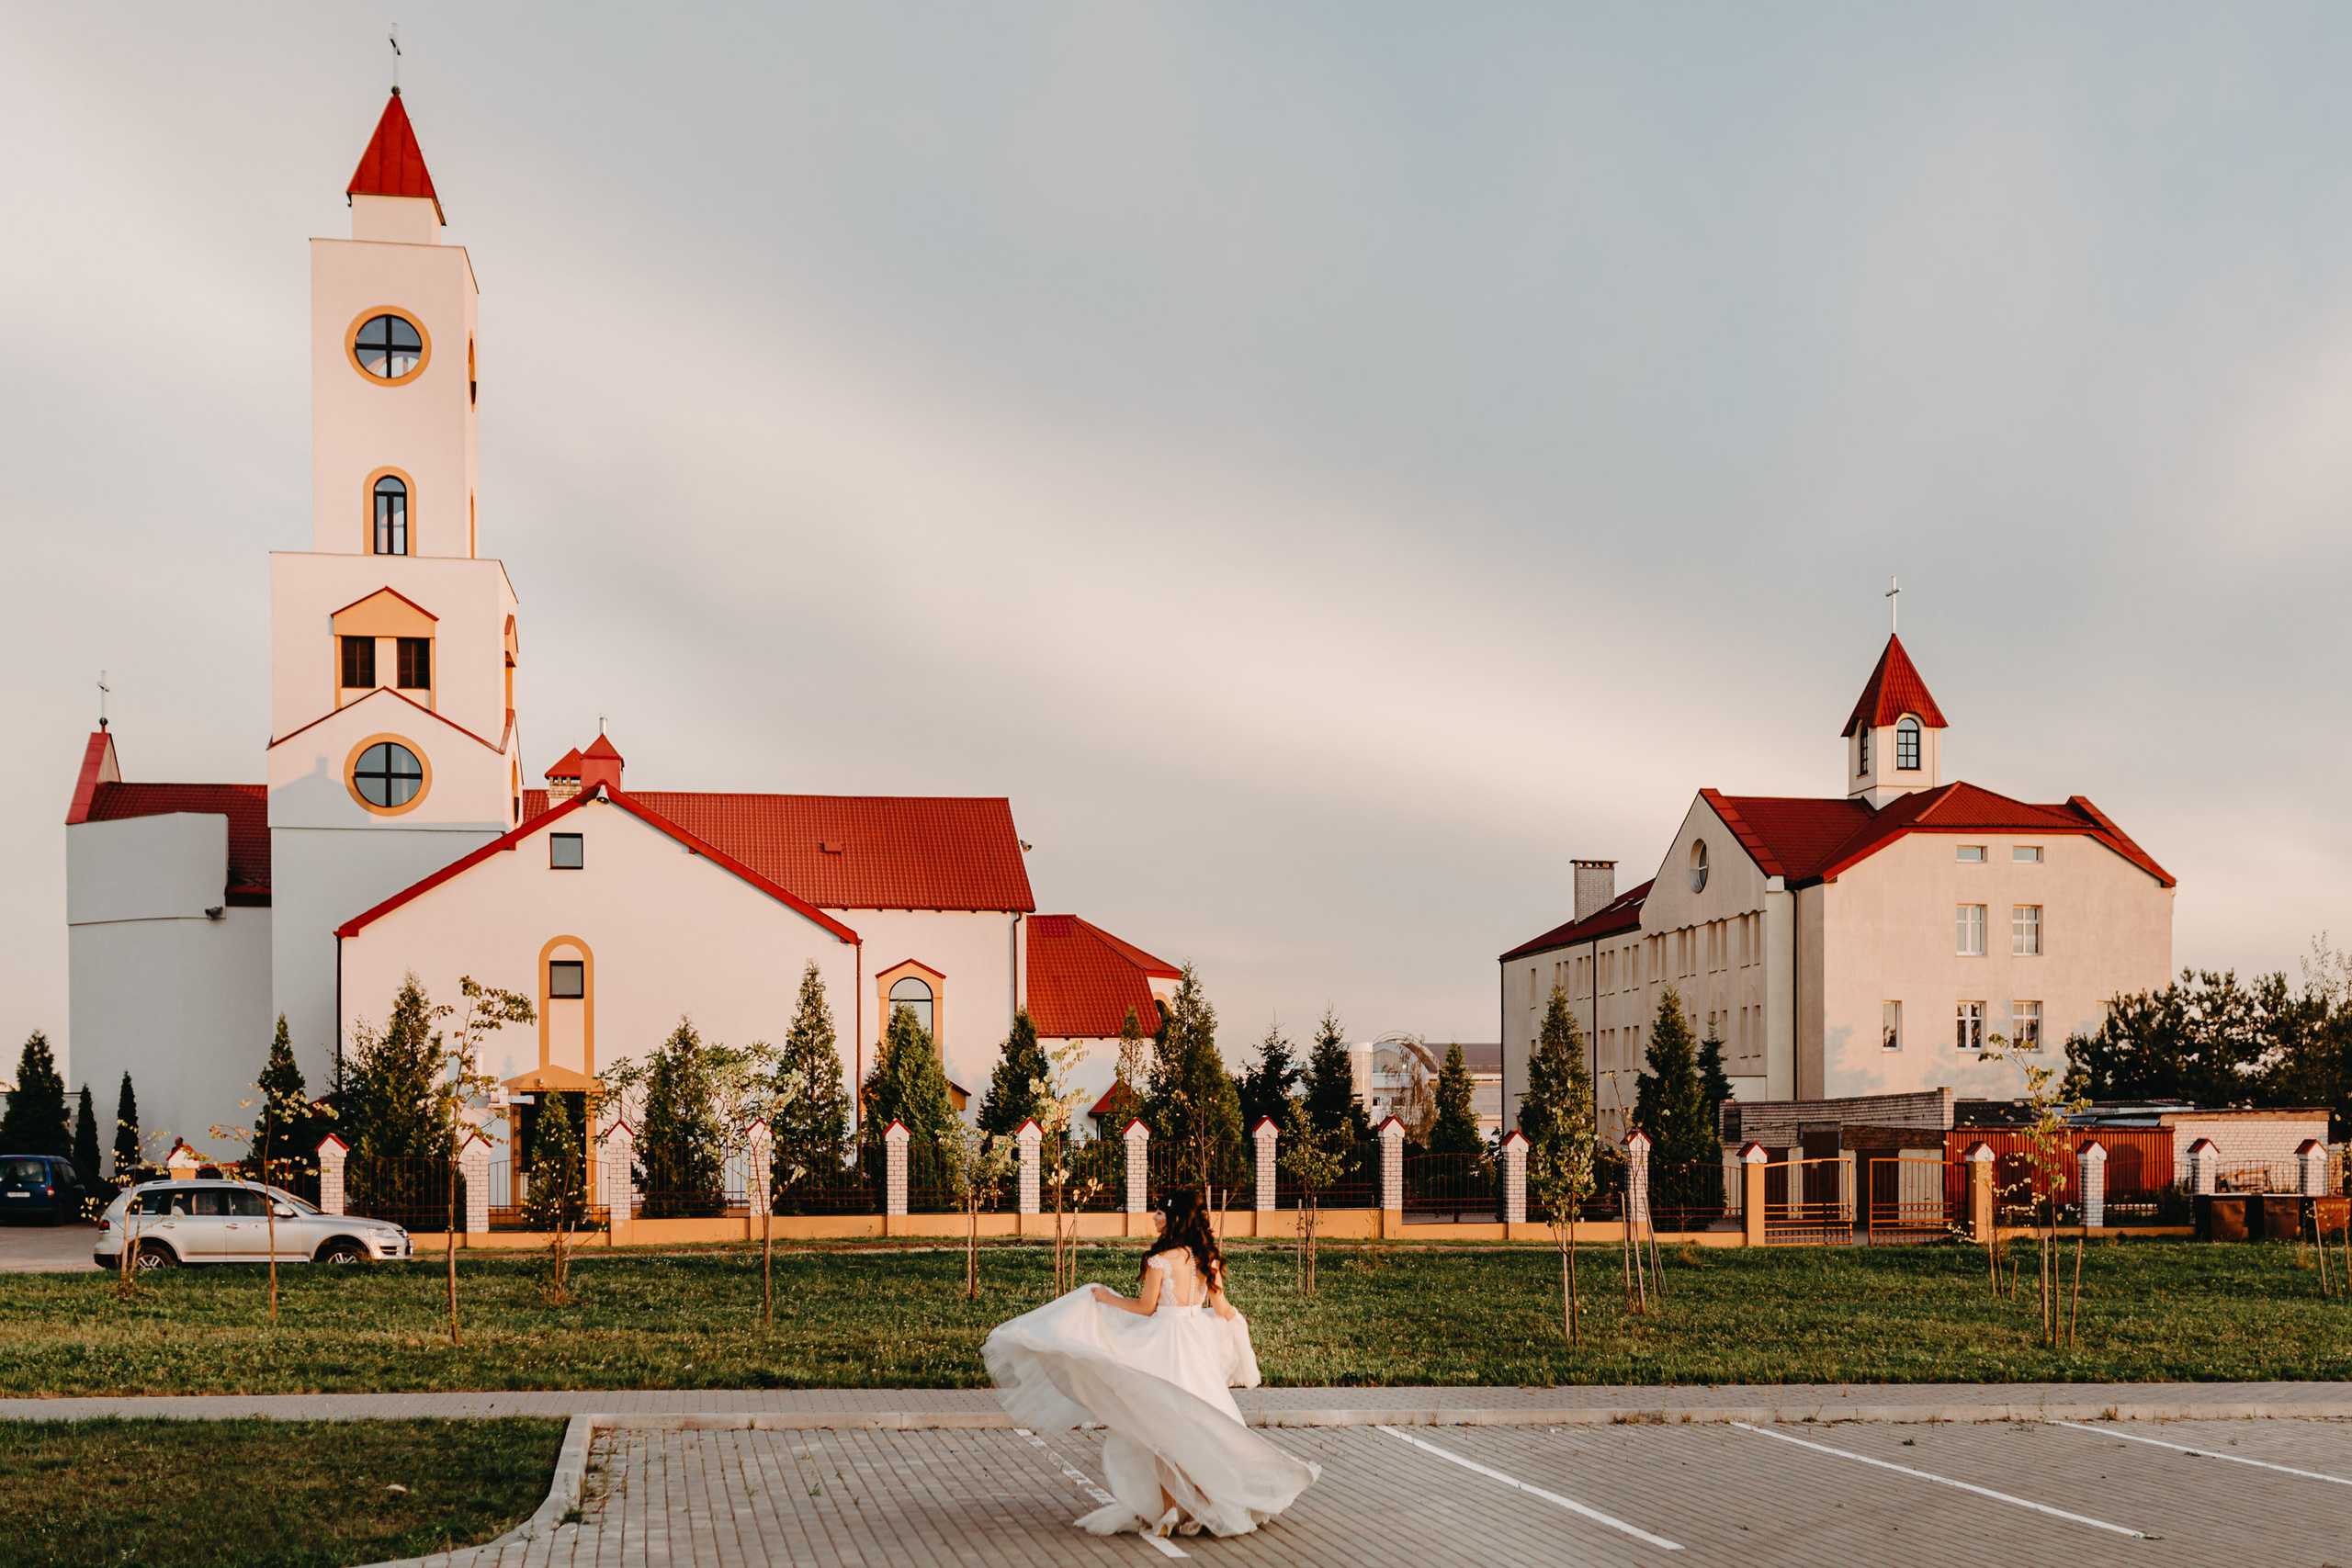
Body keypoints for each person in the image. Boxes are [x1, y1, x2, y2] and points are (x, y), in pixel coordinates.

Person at [984, 1188, 1318, 1538]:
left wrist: (1108, 1299)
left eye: (1160, 1212)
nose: (1154, 1217)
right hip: (1196, 1345)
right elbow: (1221, 1310)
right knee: (1204, 1426)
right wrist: (1238, 1324)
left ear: (1174, 1218)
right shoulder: (1207, 1258)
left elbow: (1147, 1308)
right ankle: (1207, 1506)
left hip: (1164, 1342)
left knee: (1162, 1428)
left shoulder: (1160, 1260)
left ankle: (1170, 1510)